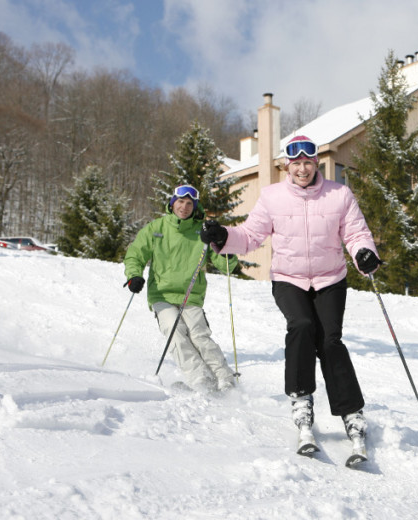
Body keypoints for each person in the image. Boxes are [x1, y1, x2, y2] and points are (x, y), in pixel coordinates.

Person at [200, 135, 381, 443]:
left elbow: (355, 233)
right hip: (289, 278)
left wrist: (365, 253)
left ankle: (351, 411)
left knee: (330, 342)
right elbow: (250, 235)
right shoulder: (272, 197)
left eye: (307, 162)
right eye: (296, 163)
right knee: (301, 326)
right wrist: (222, 236)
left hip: (330, 279)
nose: (302, 169)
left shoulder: (339, 195)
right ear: (287, 165)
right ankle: (301, 397)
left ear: (316, 163)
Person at [124, 184, 239, 393]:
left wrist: (221, 242)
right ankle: (200, 378)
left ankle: (225, 378)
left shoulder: (202, 232)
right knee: (175, 334)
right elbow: (135, 254)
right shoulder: (156, 228)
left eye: (189, 204)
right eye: (180, 202)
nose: (184, 207)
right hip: (162, 294)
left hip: (191, 295)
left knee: (198, 335)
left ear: (194, 207)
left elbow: (228, 266)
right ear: (172, 203)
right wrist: (134, 275)